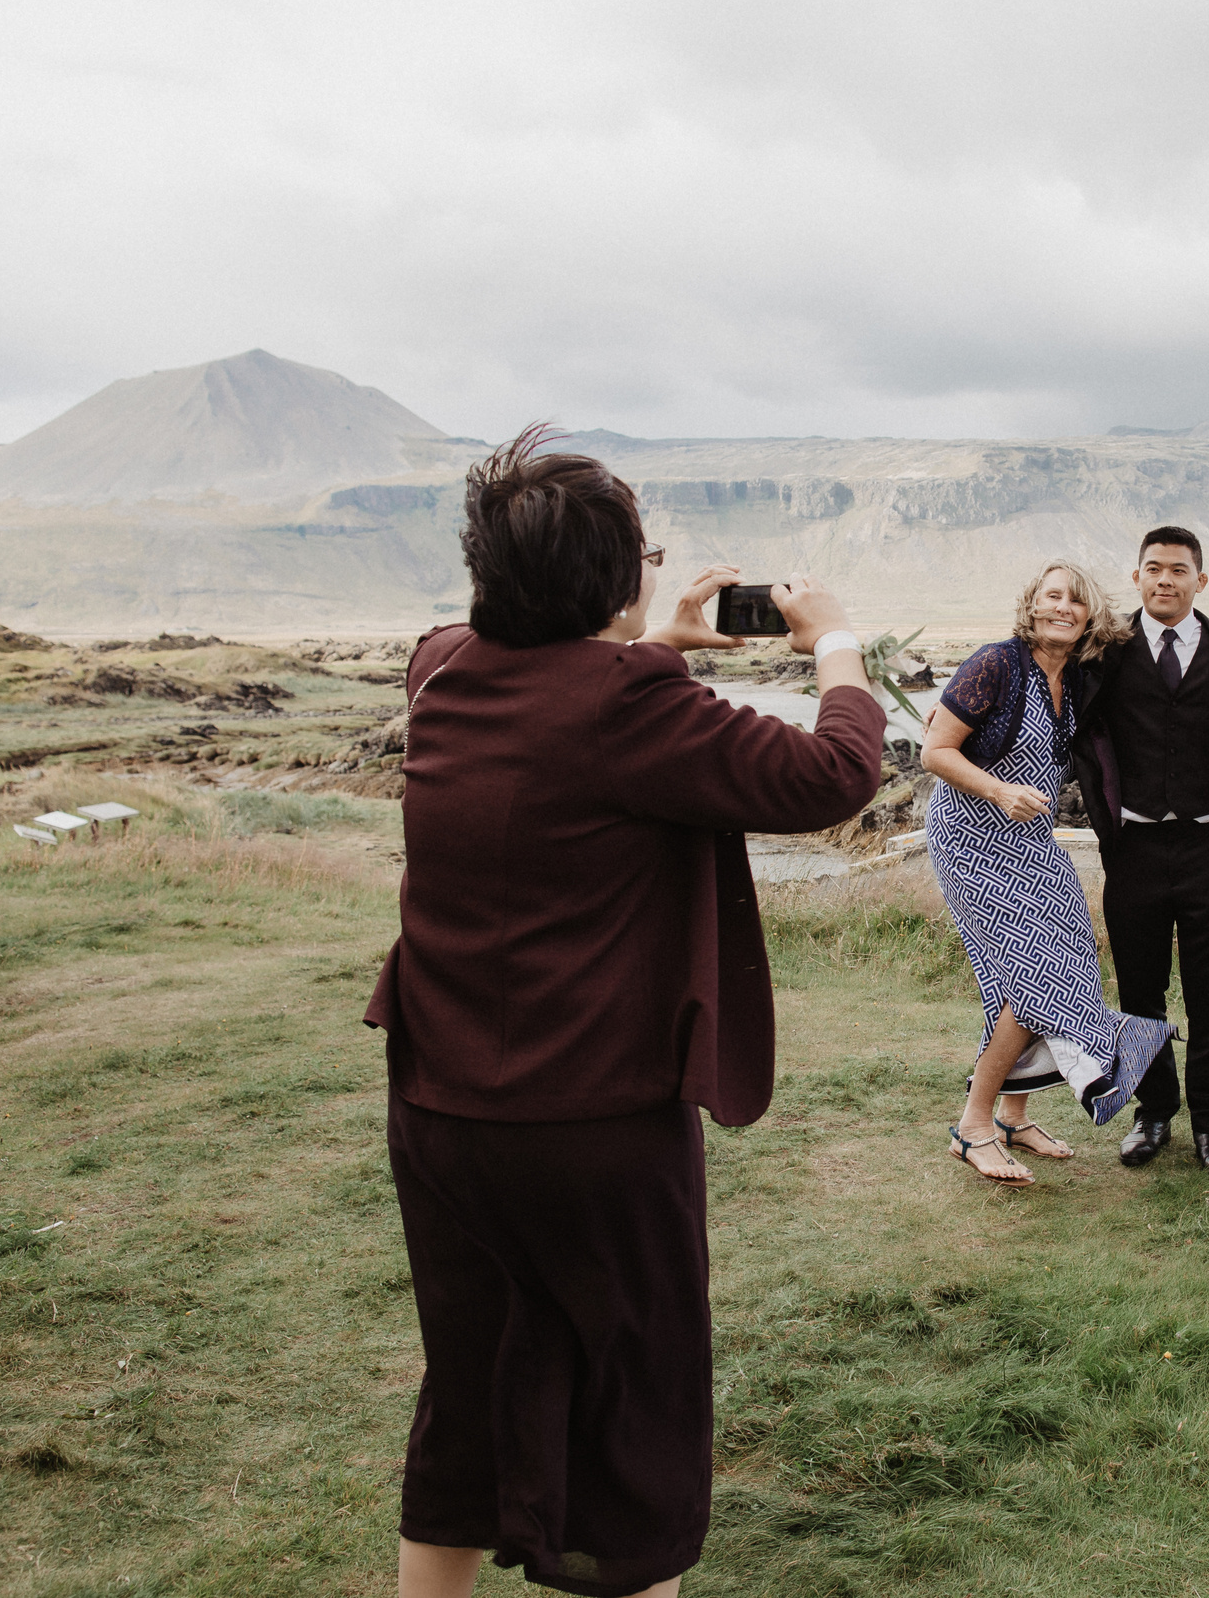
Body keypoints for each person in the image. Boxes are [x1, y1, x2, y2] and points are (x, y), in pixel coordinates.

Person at [366, 429, 885, 1598]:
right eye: (643, 555)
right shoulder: (629, 706)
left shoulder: (439, 669)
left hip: (438, 1108)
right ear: (613, 579)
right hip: (590, 1121)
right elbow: (834, 775)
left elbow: (551, 689)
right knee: (641, 1405)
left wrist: (648, 642)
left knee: (467, 1390)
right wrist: (835, 644)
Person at [920, 560, 1173, 1185]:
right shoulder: (995, 664)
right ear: (1032, 604)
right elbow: (935, 751)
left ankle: (1012, 1116)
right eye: (1052, 596)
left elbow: (1151, 653)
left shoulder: (1078, 674)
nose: (1063, 607)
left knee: (1068, 958)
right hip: (971, 837)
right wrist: (1000, 790)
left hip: (1032, 838)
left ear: (1090, 616)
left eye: (1076, 600)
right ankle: (974, 1125)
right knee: (1032, 979)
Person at [1069, 526, 1209, 1174]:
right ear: (1137, 577)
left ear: (1199, 580)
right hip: (1135, 849)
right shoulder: (1104, 648)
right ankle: (1152, 1113)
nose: (1164, 579)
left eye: (1178, 569)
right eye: (1153, 568)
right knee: (1139, 993)